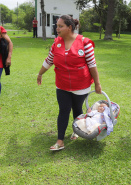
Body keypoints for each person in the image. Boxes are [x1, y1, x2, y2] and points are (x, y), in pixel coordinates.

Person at [37, 15, 102, 151]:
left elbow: (92, 65)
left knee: (77, 109)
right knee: (63, 110)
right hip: (62, 85)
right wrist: (40, 73)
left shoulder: (85, 43)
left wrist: (97, 83)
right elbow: (49, 60)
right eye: (57, 25)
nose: (57, 28)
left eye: (60, 26)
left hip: (81, 85)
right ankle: (60, 140)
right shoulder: (56, 43)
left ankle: (76, 130)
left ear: (70, 27)